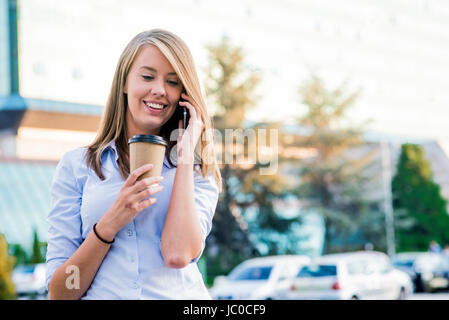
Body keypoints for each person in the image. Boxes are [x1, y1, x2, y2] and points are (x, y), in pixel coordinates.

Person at [46, 29, 222, 300]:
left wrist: (186, 157)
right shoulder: (76, 166)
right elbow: (61, 292)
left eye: (173, 82)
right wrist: (109, 224)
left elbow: (177, 255)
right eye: (148, 76)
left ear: (184, 96)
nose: (160, 90)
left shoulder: (197, 169)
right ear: (124, 83)